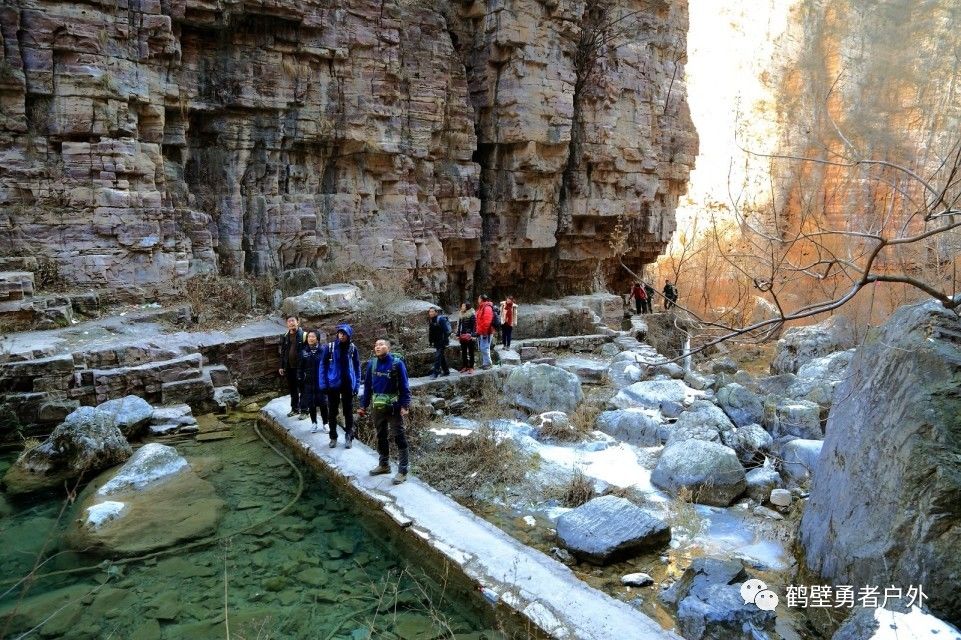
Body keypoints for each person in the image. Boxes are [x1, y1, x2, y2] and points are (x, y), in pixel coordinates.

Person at [358, 338, 412, 485]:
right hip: (377, 407)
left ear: (388, 347)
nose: (378, 347)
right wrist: (363, 405)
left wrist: (405, 405)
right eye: (376, 345)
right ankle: (384, 465)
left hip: (393, 407)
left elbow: (404, 386)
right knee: (381, 435)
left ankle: (403, 470)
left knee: (399, 436)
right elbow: (367, 386)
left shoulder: (397, 364)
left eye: (381, 345)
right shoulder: (371, 364)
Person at [320, 323, 361, 449]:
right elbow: (323, 365)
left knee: (348, 412)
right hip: (333, 384)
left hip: (348, 384)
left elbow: (357, 367)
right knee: (332, 411)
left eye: (344, 334)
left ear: (349, 335)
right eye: (340, 333)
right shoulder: (330, 347)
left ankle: (349, 436)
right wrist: (323, 384)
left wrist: (357, 385)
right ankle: (333, 437)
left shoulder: (352, 348)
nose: (341, 336)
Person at [298, 330, 328, 433]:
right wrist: (300, 378)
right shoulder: (304, 351)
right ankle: (314, 423)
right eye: (309, 337)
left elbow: (328, 366)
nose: (310, 338)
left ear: (317, 338)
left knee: (323, 403)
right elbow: (300, 368)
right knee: (311, 404)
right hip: (308, 382)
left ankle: (325, 423)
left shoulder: (323, 350)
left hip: (321, 381)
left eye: (313, 337)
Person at [278, 316, 305, 418]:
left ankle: (304, 411)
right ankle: (295, 409)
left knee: (303, 389)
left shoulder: (303, 335)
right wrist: (281, 366)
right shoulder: (285, 336)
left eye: (293, 321)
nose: (291, 323)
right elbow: (283, 352)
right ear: (287, 324)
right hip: (289, 367)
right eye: (289, 322)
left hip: (300, 368)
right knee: (293, 389)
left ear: (298, 322)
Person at [427, 307, 452, 379]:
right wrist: (430, 342)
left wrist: (444, 341)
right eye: (430, 312)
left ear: (436, 312)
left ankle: (435, 373)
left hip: (442, 342)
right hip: (436, 342)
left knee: (438, 357)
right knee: (441, 357)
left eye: (432, 311)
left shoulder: (440, 319)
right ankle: (446, 371)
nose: (431, 313)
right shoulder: (431, 320)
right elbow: (431, 332)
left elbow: (446, 331)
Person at [475, 294, 495, 370]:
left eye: (478, 298)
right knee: (483, 347)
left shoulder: (487, 307)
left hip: (486, 331)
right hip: (482, 331)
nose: (478, 300)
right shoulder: (481, 307)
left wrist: (484, 332)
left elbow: (487, 321)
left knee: (484, 347)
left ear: (482, 299)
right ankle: (485, 363)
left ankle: (488, 364)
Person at [456, 302, 476, 374]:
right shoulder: (461, 314)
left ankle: (471, 367)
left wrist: (473, 335)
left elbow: (474, 326)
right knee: (464, 352)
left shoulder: (472, 315)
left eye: (463, 306)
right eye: (462, 306)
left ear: (467, 307)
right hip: (462, 335)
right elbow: (459, 325)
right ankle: (465, 366)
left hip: (470, 336)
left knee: (471, 352)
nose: (462, 307)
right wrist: (458, 334)